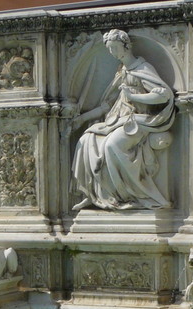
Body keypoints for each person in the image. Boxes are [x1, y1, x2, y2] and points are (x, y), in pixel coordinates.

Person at [71, 29, 176, 210]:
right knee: (85, 139)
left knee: (112, 145)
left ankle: (140, 195)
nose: (112, 53)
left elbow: (163, 96)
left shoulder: (143, 69)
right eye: (109, 49)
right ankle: (95, 193)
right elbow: (107, 105)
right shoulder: (121, 72)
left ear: (126, 46)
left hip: (139, 121)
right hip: (117, 120)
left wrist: (135, 97)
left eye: (114, 48)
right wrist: (82, 119)